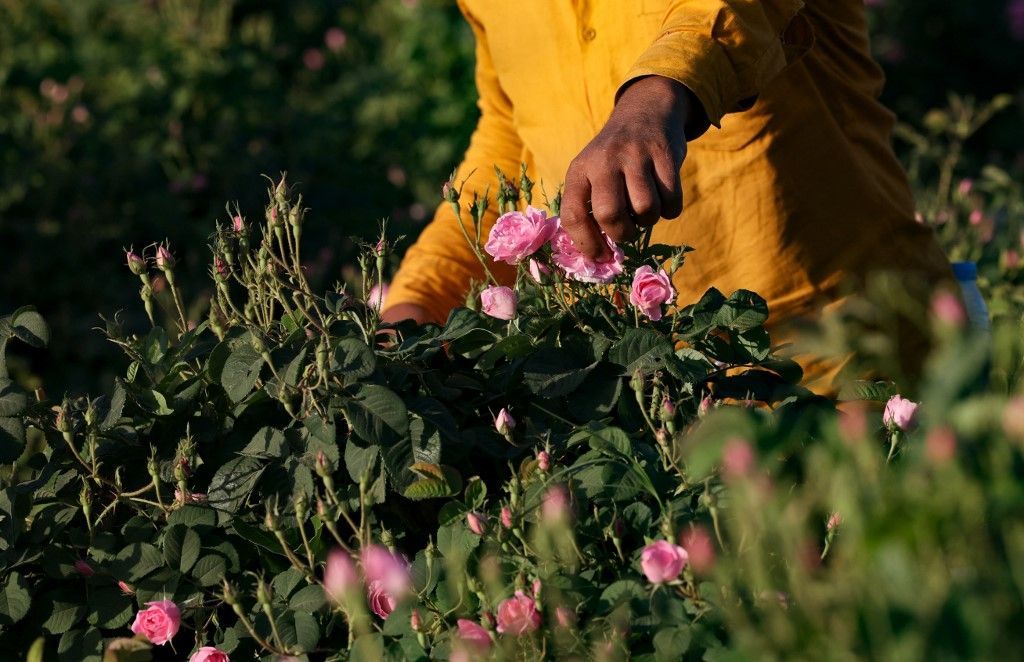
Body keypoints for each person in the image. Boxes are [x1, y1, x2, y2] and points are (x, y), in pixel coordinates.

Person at [382, 0, 953, 391]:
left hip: (842, 362)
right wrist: (419, 304)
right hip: (653, 398)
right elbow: (513, 138)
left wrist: (654, 97)